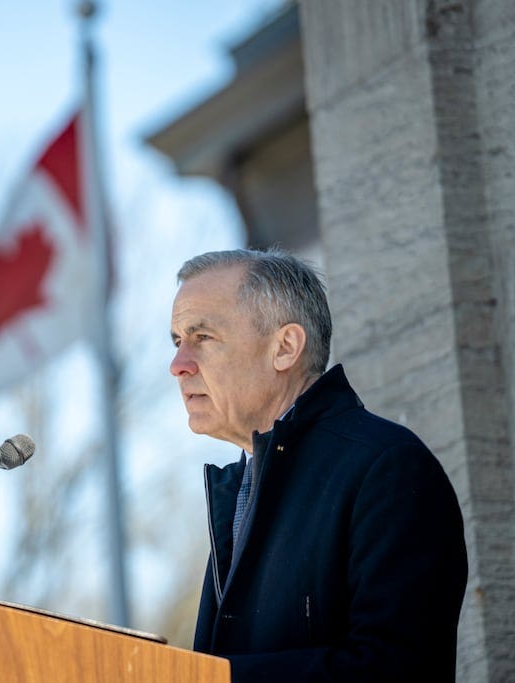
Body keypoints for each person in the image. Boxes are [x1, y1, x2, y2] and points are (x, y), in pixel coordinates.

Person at [169, 248, 467, 682]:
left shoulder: (386, 468)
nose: (178, 365)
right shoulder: (241, 491)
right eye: (177, 342)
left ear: (285, 347)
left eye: (203, 337)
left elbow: (395, 669)